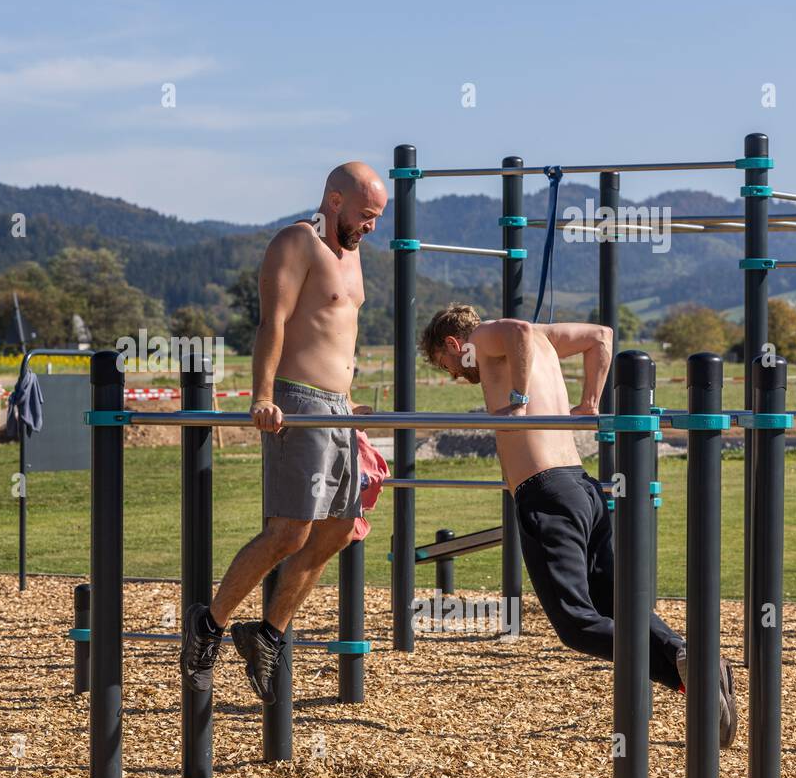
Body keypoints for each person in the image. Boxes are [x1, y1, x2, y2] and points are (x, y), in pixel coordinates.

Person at [417, 303, 737, 747]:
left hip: (546, 495)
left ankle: (686, 662)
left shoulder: (485, 339)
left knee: (574, 623)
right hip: (582, 488)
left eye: (446, 363)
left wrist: (518, 401)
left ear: (453, 344)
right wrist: (589, 399)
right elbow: (600, 337)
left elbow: (518, 329)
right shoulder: (545, 340)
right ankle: (693, 659)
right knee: (618, 606)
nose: (454, 372)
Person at [180, 162, 386, 704]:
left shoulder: (354, 253)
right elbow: (273, 322)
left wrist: (347, 400)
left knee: (341, 529)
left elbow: (337, 332)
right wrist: (263, 396)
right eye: (366, 215)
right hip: (298, 401)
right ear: (335, 200)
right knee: (290, 532)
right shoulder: (297, 242)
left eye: (377, 218)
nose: (371, 227)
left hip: (337, 409)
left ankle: (266, 633)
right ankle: (209, 626)